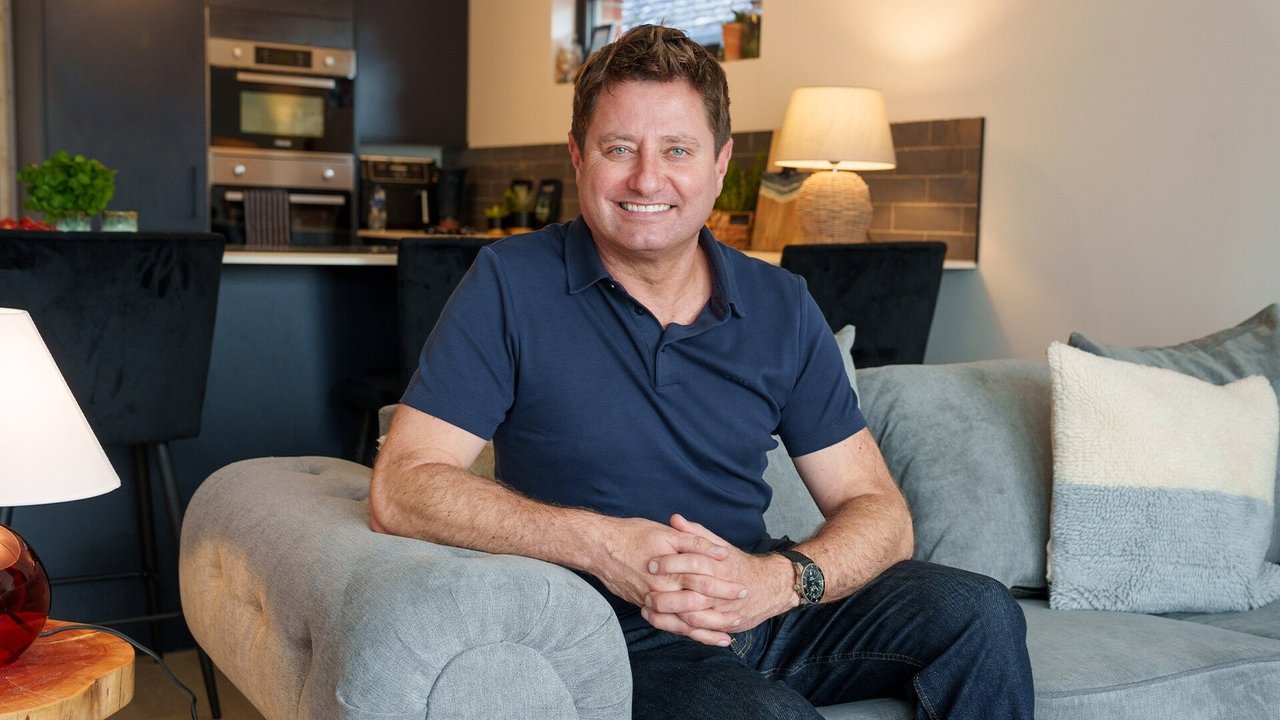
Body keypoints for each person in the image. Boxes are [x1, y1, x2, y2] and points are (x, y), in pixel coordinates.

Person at [369, 24, 1034, 720]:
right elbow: (401, 487)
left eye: (677, 150)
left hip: (758, 602)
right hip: (611, 629)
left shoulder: (780, 303)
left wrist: (777, 582)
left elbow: (881, 514)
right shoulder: (508, 284)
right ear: (577, 157)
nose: (646, 179)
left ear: (720, 164)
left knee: (980, 611)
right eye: (618, 148)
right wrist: (603, 545)